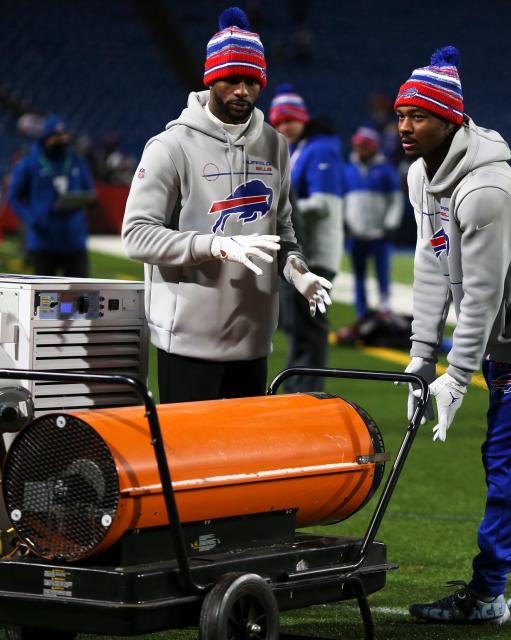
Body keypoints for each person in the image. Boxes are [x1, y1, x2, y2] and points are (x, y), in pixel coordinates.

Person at [395, 46, 511, 625]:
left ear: (450, 120)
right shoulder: (420, 175)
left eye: (419, 116)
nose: (405, 127)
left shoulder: (486, 193)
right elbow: (431, 266)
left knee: (508, 455)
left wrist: (457, 376)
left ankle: (485, 594)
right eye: (401, 115)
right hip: (509, 330)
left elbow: (481, 297)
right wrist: (419, 358)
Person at [121, 7, 331, 403]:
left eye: (252, 81)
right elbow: (136, 236)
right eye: (232, 79)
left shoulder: (274, 144)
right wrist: (212, 245)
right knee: (189, 461)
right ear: (211, 78)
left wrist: (298, 271)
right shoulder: (171, 147)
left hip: (253, 339)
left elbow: (282, 229)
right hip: (188, 341)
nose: (243, 91)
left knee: (241, 461)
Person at [269, 84, 344, 393]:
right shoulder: (298, 150)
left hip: (315, 255)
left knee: (309, 328)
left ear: (304, 119)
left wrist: (281, 205)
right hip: (303, 254)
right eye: (280, 121)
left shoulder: (320, 148)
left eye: (291, 119)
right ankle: (295, 388)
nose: (286, 126)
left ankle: (308, 392)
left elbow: (324, 205)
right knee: (299, 327)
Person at [7, 115, 96, 277]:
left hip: (74, 240)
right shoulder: (30, 163)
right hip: (44, 241)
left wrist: (87, 200)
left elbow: (90, 190)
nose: (62, 140)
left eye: (64, 135)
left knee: (81, 297)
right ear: (46, 138)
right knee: (44, 299)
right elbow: (14, 197)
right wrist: (32, 218)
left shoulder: (76, 160)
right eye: (57, 136)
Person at [343, 125, 403, 321]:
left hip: (379, 234)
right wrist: (346, 223)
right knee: (359, 276)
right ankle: (361, 312)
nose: (361, 149)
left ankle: (384, 308)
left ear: (374, 146)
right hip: (356, 233)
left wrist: (390, 225)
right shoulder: (348, 169)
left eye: (365, 145)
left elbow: (396, 200)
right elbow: (344, 200)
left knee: (382, 274)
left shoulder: (386, 170)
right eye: (359, 145)